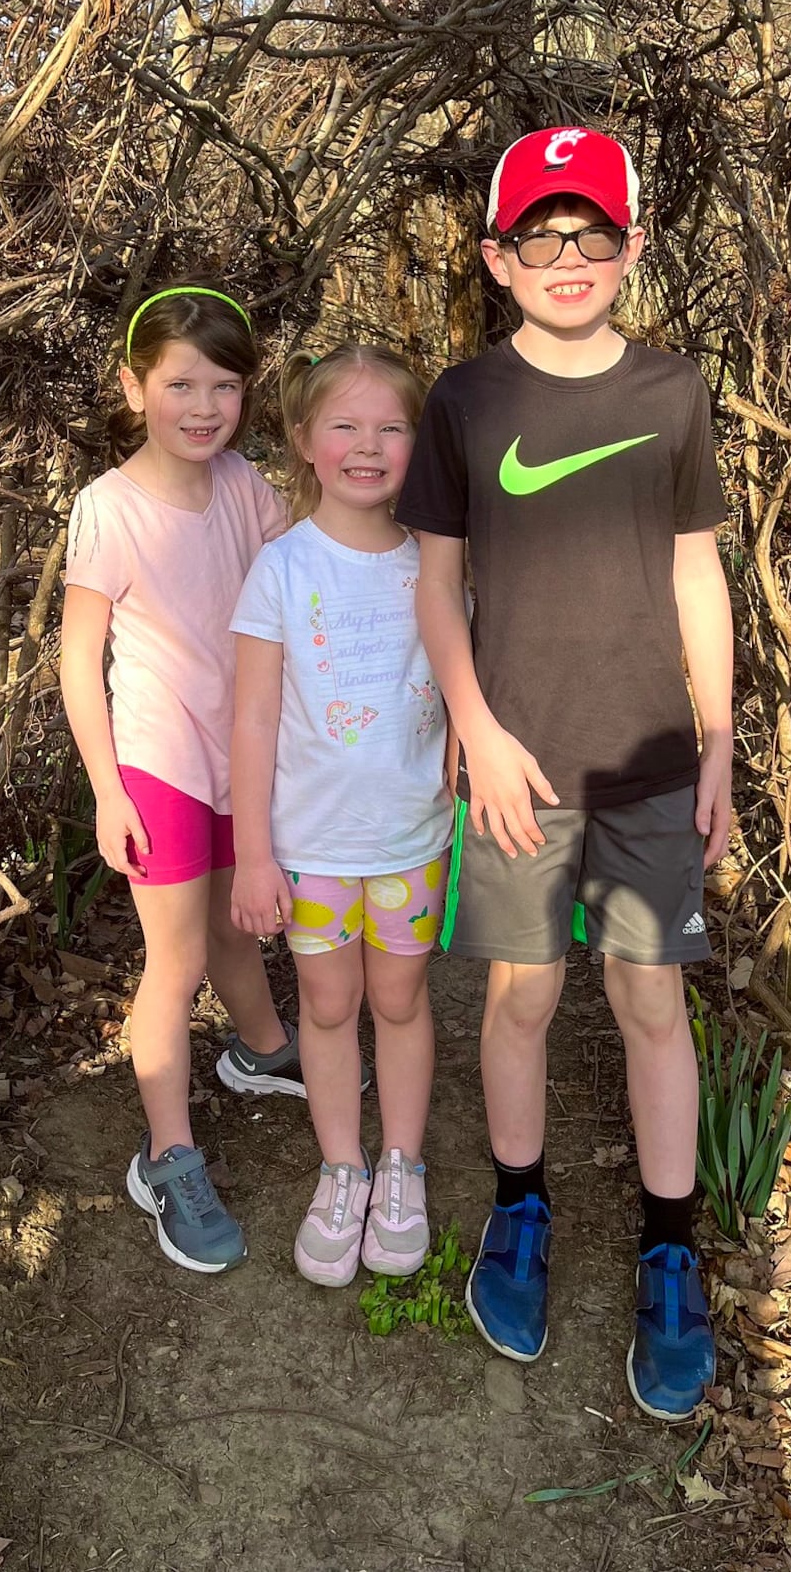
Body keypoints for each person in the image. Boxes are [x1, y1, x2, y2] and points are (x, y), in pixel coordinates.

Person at [396, 127, 733, 1420]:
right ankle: (520, 1214)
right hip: (515, 770)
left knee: (652, 1002)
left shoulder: (671, 395)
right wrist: (473, 725)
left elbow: (696, 572)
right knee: (524, 998)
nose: (570, 257)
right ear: (498, 255)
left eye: (595, 231)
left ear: (633, 246)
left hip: (649, 758)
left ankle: (668, 1249)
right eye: (542, 233)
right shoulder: (467, 403)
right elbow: (437, 584)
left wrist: (721, 742)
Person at [59, 285, 306, 1276]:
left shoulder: (243, 484)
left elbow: (301, 570)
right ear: (134, 386)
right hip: (157, 764)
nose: (202, 407)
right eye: (180, 385)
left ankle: (259, 1050)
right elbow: (79, 660)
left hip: (234, 756)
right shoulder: (108, 509)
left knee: (233, 924)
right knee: (173, 962)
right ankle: (167, 1157)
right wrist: (106, 788)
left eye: (224, 387)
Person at [231, 344, 452, 1287]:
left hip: (412, 837)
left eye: (392, 426)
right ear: (305, 443)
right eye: (346, 426)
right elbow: (249, 717)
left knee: (398, 998)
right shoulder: (281, 568)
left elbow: (462, 683)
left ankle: (401, 1166)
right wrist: (252, 857)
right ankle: (342, 1168)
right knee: (328, 1005)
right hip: (310, 848)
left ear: (418, 443)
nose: (369, 445)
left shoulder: (438, 566)